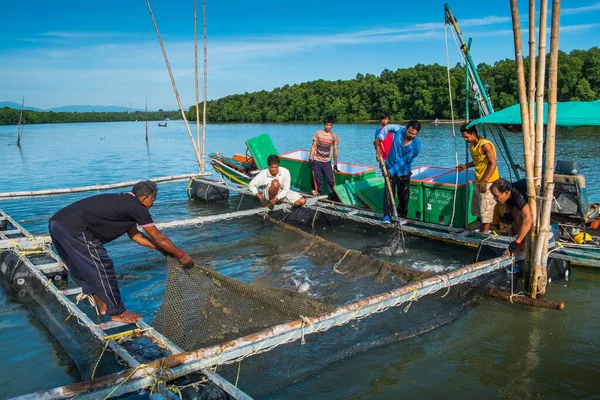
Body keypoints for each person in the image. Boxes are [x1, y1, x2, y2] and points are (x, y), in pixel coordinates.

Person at [48, 181, 194, 324]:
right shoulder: (137, 206)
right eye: (152, 201)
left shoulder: (124, 202)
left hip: (56, 224)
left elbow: (136, 236)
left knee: (82, 268)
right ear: (144, 197)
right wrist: (181, 255)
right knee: (103, 266)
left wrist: (162, 250)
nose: (152, 205)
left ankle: (103, 305)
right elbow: (159, 238)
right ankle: (117, 312)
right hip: (75, 228)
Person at [374, 120, 422, 223]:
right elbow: (387, 128)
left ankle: (402, 217)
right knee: (388, 192)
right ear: (406, 128)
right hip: (389, 165)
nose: (410, 135)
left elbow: (402, 162)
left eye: (413, 134)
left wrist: (390, 171)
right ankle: (387, 216)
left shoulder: (415, 147)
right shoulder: (399, 130)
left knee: (403, 197)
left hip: (403, 172)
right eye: (409, 132)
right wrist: (380, 138)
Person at [456, 124, 500, 234]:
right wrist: (466, 166)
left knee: (486, 211)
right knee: (480, 210)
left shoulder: (485, 145)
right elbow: (477, 161)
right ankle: (481, 230)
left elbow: (493, 163)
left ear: (473, 133)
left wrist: (485, 180)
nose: (465, 139)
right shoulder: (473, 145)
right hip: (479, 181)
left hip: (489, 182)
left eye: (466, 137)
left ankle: (484, 235)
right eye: (463, 137)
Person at [490, 178, 533, 255]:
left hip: (539, 192)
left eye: (496, 196)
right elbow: (508, 202)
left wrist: (517, 242)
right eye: (493, 196)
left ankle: (521, 248)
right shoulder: (508, 193)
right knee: (502, 209)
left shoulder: (518, 195)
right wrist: (507, 213)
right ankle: (518, 237)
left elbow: (528, 219)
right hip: (522, 190)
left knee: (520, 217)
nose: (494, 199)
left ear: (506, 192)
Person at [308, 116, 340, 198]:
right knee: (318, 180)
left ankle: (333, 197)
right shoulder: (318, 133)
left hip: (327, 161)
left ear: (332, 125)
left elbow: (335, 150)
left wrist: (335, 164)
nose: (328, 127)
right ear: (324, 125)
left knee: (330, 180)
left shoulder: (334, 136)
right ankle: (319, 196)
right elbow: (313, 146)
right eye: (326, 125)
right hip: (316, 161)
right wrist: (310, 158)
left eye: (330, 125)